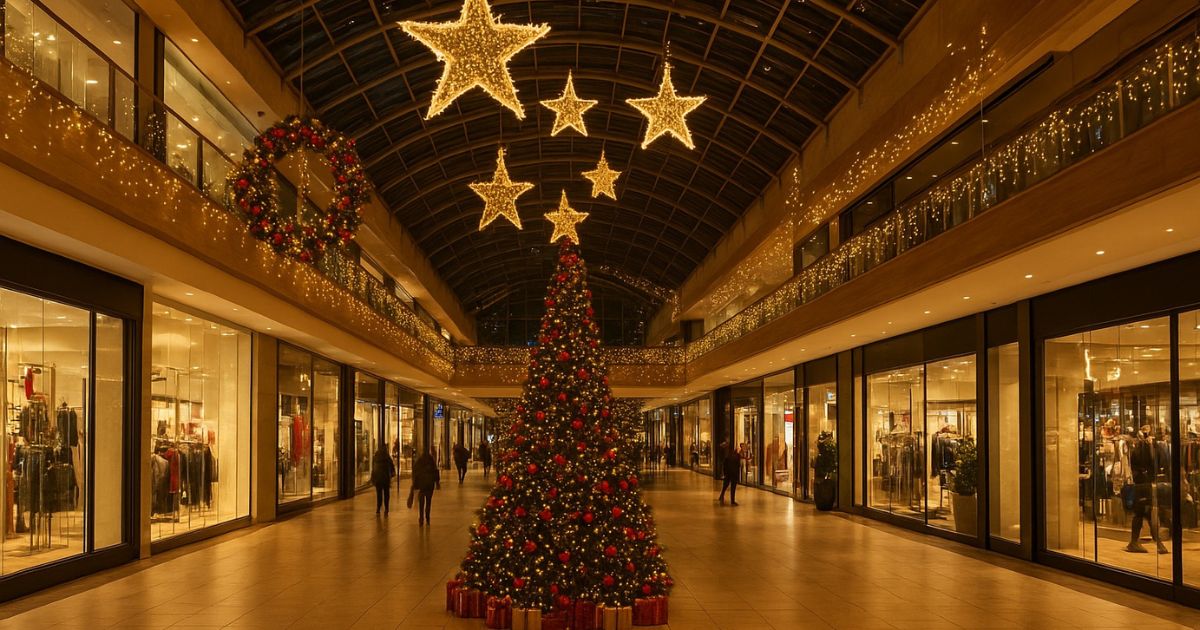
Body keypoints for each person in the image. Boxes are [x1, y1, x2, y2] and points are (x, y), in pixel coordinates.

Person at [1127, 425, 1167, 554]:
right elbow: (1146, 462)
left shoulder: (1155, 447)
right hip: (1142, 484)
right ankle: (1153, 542)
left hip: (1148, 483)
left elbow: (1160, 462)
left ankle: (1154, 542)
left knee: (1149, 512)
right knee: (1143, 511)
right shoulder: (1139, 448)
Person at [411, 449, 440, 526]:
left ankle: (421, 517)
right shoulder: (431, 461)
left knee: (421, 502)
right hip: (430, 485)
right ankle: (427, 517)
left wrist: (415, 483)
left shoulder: (419, 461)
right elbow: (436, 471)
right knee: (428, 502)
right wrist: (437, 482)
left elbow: (415, 472)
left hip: (422, 484)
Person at [371, 444, 396, 515]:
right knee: (386, 494)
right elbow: (392, 467)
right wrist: (392, 474)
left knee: (379, 494)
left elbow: (373, 468)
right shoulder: (387, 457)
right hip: (385, 478)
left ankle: (378, 509)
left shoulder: (376, 456)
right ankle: (386, 509)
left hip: (378, 478)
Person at [718, 442, 740, 506]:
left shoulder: (727, 457)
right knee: (733, 487)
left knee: (725, 485)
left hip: (728, 473)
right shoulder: (737, 456)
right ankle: (732, 500)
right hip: (734, 473)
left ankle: (722, 495)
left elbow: (724, 466)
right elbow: (738, 466)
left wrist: (724, 473)